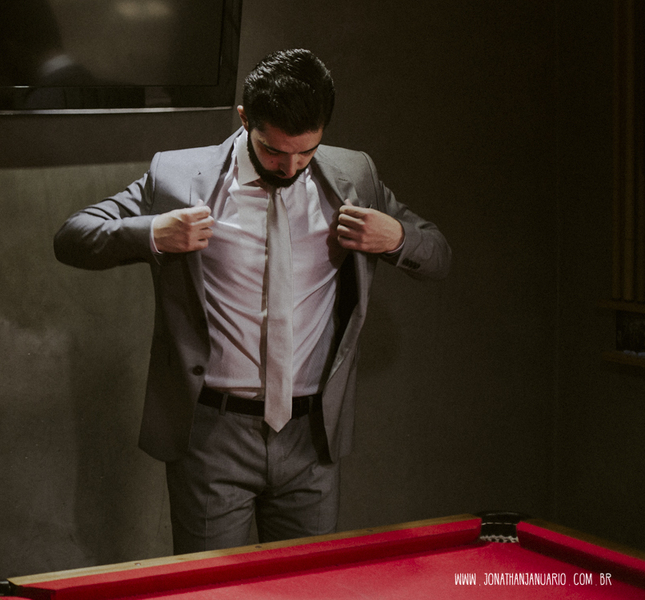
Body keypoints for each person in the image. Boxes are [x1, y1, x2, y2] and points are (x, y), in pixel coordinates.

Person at [53, 49, 451, 554]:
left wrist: (396, 238)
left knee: (307, 594)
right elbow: (72, 236)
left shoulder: (356, 175)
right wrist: (153, 232)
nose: (290, 167)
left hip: (313, 438)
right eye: (273, 151)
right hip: (213, 436)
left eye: (306, 153)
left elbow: (438, 254)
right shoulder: (179, 177)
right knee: (210, 594)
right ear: (245, 120)